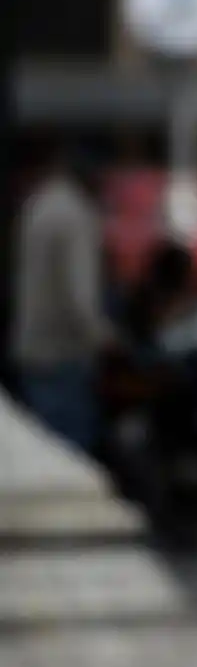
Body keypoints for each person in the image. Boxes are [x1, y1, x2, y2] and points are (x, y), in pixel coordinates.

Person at [12, 139, 116, 456]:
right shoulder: (75, 215)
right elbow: (79, 298)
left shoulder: (39, 204)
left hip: (34, 351)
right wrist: (107, 340)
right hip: (63, 355)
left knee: (45, 459)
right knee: (72, 458)